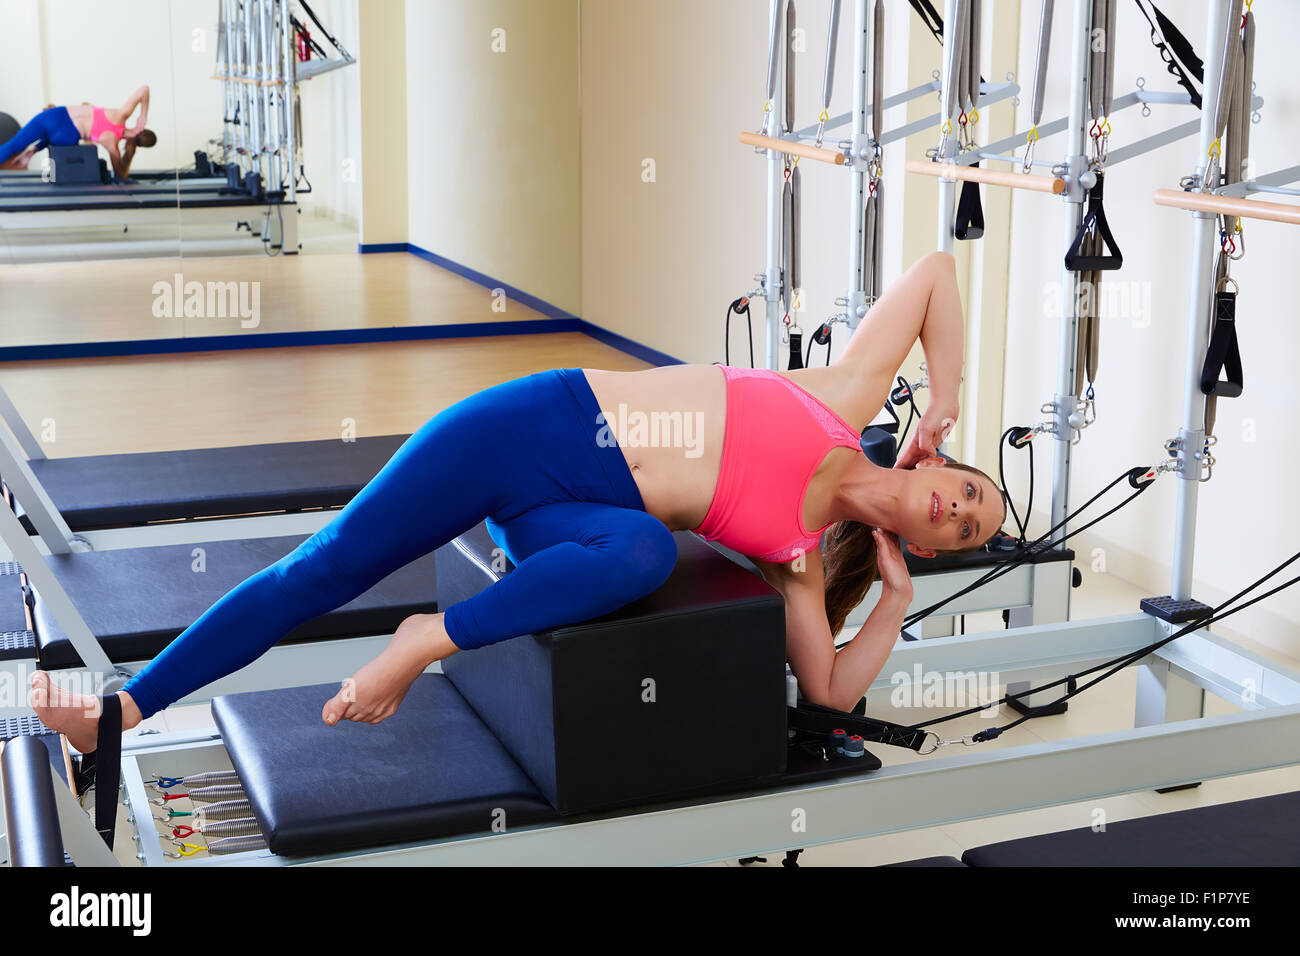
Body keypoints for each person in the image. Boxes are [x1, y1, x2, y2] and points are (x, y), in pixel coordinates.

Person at [32, 251, 1004, 752]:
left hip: (570, 519)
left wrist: (893, 602)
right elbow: (935, 275)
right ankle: (121, 710)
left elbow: (830, 692)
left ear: (932, 539)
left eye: (966, 528)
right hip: (531, 426)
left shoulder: (798, 555)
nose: (956, 509)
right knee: (318, 570)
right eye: (966, 488)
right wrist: (950, 392)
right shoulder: (846, 400)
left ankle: (427, 636)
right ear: (937, 463)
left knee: (643, 556)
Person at [0, 86, 155, 180]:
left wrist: (143, 115)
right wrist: (128, 158)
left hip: (56, 115)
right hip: (66, 136)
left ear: (141, 128)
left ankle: (34, 149)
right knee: (63, 142)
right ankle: (34, 150)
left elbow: (144, 89)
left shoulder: (122, 114)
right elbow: (120, 177)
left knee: (13, 145)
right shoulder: (112, 146)